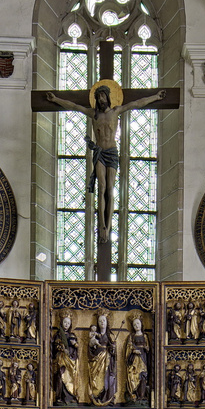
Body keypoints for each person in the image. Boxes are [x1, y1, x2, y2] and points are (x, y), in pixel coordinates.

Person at [45, 81, 165, 271]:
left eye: (103, 96)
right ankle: (101, 223)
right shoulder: (94, 115)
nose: (101, 99)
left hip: (112, 153)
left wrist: (156, 97)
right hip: (100, 153)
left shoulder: (115, 111)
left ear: (108, 97)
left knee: (110, 190)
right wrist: (56, 99)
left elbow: (136, 104)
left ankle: (108, 227)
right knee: (101, 188)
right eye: (98, 97)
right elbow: (74, 106)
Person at [87, 312, 116, 405]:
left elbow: (114, 353)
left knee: (106, 378)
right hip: (97, 359)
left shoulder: (110, 335)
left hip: (106, 360)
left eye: (104, 320)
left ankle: (106, 397)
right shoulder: (95, 335)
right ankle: (97, 397)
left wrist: (112, 349)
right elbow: (90, 349)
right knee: (96, 379)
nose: (102, 322)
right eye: (100, 321)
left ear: (107, 322)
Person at [52, 312, 80, 405]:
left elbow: (76, 349)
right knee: (60, 375)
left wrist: (74, 346)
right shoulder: (58, 335)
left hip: (70, 360)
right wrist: (60, 347)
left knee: (71, 377)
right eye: (65, 322)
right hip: (61, 359)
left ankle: (70, 396)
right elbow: (54, 346)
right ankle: (60, 396)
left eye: (68, 323)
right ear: (61, 323)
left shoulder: (72, 335)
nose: (66, 325)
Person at [124, 314, 150, 403]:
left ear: (141, 324)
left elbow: (148, 348)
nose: (136, 326)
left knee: (142, 376)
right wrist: (134, 351)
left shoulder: (145, 336)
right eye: (134, 325)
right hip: (134, 359)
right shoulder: (131, 336)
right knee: (133, 375)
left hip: (143, 358)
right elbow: (129, 347)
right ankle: (134, 394)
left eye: (138, 324)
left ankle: (141, 396)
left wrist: (145, 348)